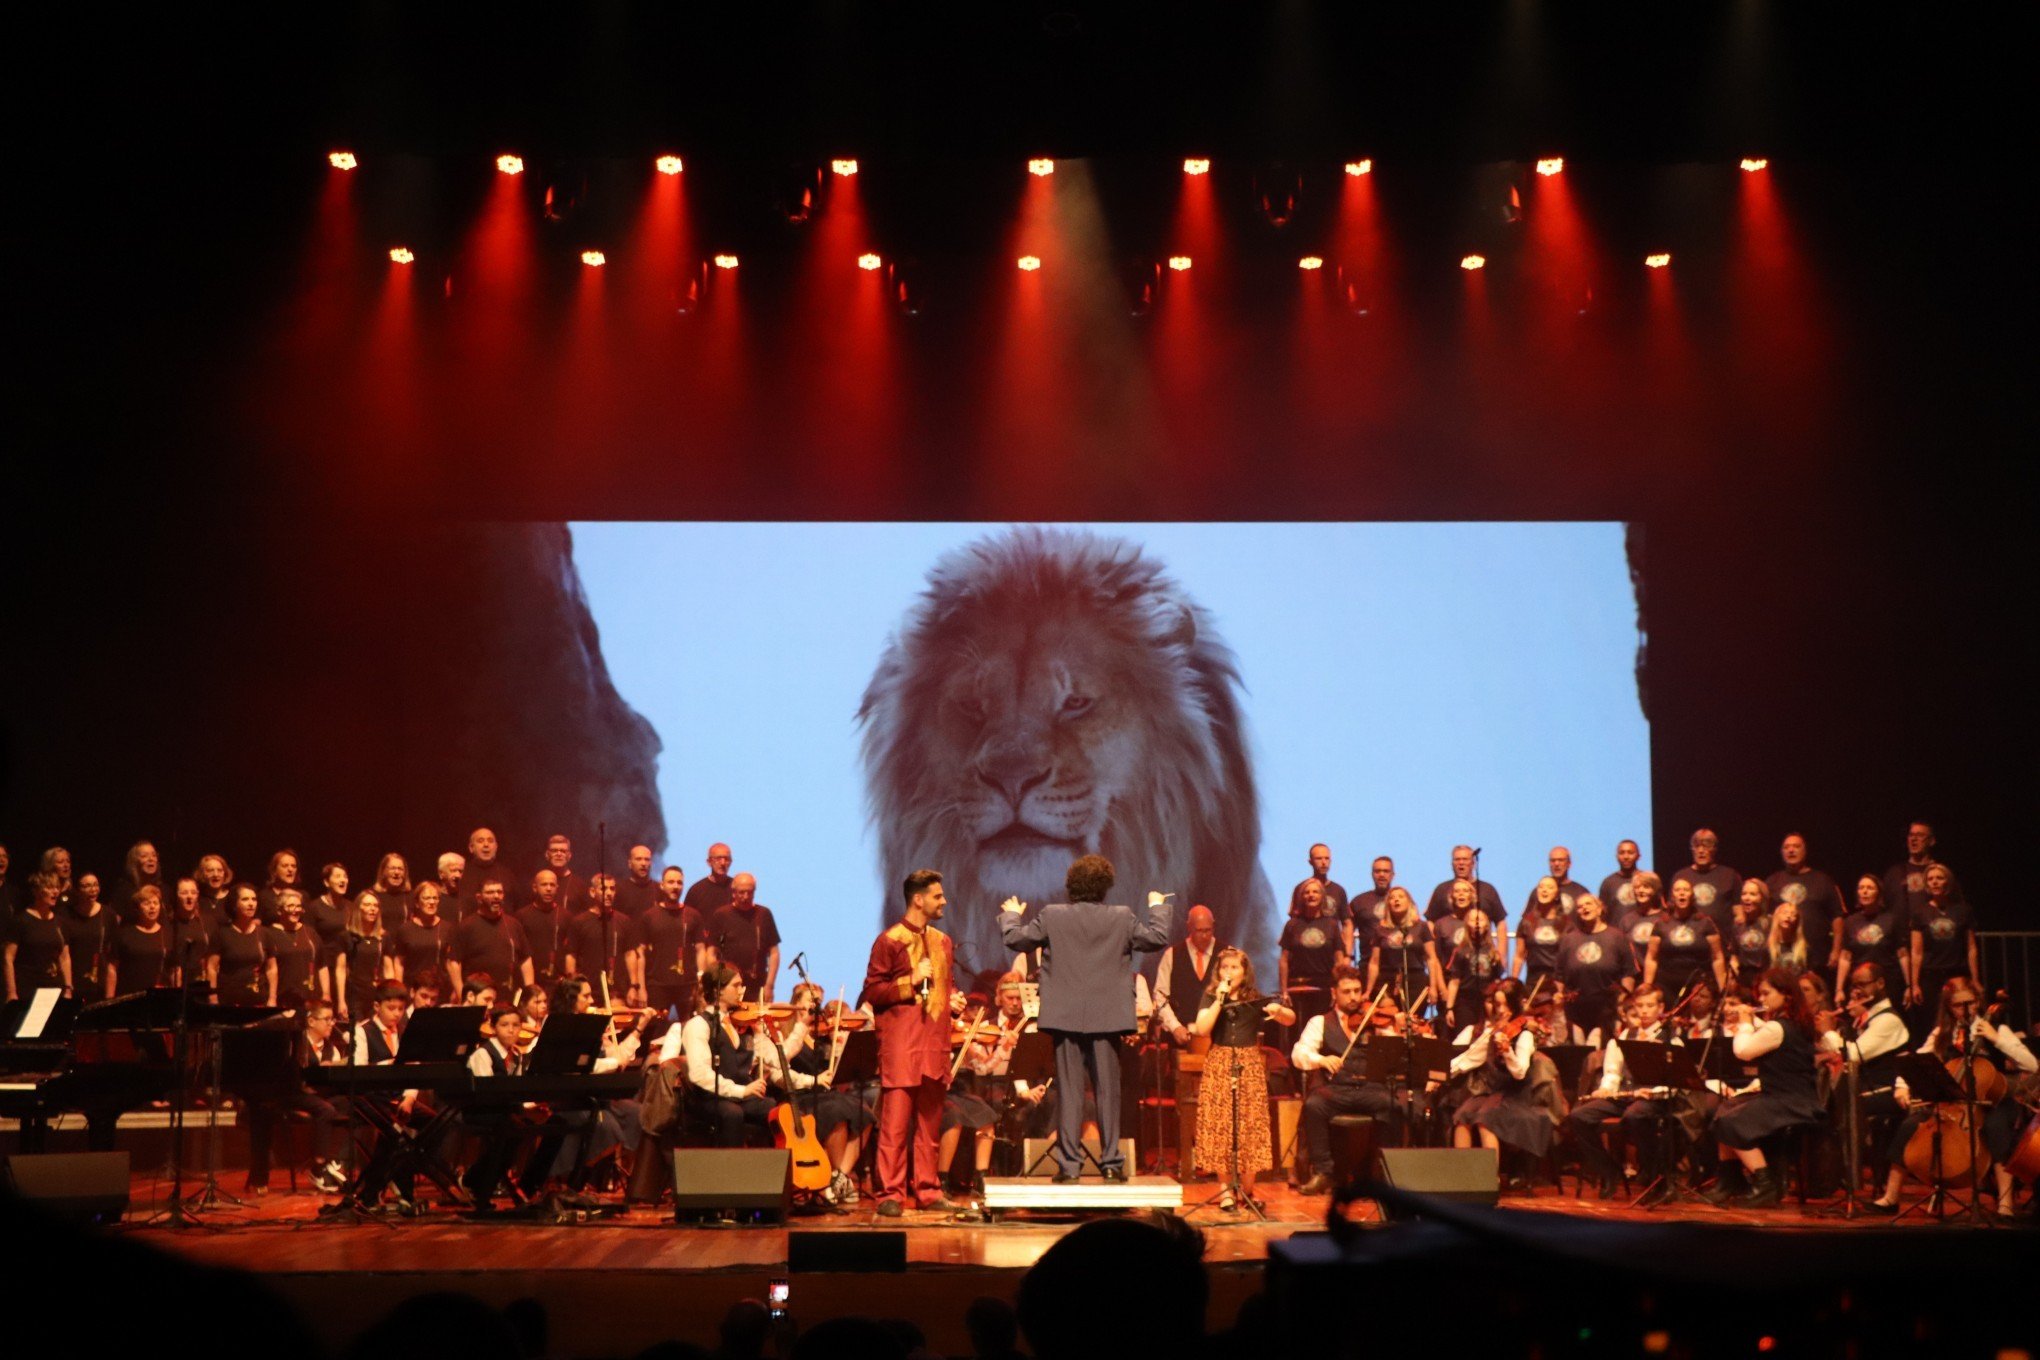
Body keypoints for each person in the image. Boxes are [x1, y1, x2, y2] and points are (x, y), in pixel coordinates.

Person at [998, 854, 1171, 1184]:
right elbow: (1156, 938)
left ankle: (1070, 1167)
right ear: (1106, 886)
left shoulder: (1052, 915)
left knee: (1070, 1092)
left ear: (1071, 885)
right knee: (1108, 1092)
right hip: (1107, 1019)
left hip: (1065, 1018)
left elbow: (1015, 939)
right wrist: (1158, 905)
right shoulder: (1121, 917)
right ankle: (1110, 1163)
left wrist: (1010, 915)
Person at [1866, 976, 2037, 1218]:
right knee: (1909, 1125)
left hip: (1994, 1102)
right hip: (1955, 1105)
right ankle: (1891, 1197)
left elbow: (2031, 1063)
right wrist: (1902, 1086)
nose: (1965, 1010)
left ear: (1978, 1001)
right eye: (1958, 1005)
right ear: (1949, 1007)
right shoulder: (1943, 1033)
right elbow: (1917, 1061)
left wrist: (1996, 1039)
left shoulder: (1998, 1029)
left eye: (1970, 1003)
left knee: (1996, 1126)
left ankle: (2006, 1203)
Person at [862, 869, 964, 1214]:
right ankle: (889, 1194)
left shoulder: (943, 942)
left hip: (934, 1044)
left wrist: (952, 1001)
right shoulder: (889, 940)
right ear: (918, 899)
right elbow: (873, 992)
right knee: (894, 1126)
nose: (944, 901)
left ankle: (928, 1190)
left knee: (930, 1125)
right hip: (902, 1044)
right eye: (938, 896)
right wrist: (909, 980)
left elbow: (941, 990)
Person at [1701, 967, 1824, 1208]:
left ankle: (1765, 1183)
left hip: (1790, 1101)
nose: (1761, 999)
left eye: (1767, 994)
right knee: (1722, 1112)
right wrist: (1750, 1021)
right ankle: (1730, 1180)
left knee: (1731, 1122)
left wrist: (1744, 1023)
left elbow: (1743, 1051)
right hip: (1784, 1096)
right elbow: (1765, 1036)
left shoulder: (1779, 1028)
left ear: (1786, 995)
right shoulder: (1788, 1024)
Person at [1190, 947, 1294, 1211]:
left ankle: (1247, 1189)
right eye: (1224, 968)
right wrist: (1219, 1001)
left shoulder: (1253, 998)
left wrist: (1278, 1012)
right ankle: (1225, 1191)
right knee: (1222, 1125)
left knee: (1249, 1124)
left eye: (1235, 968)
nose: (1229, 972)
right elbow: (1202, 1029)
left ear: (1245, 971)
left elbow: (1290, 1020)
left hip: (1248, 1063)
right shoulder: (1212, 996)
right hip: (1220, 1061)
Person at [1293, 964, 1398, 1194]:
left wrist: (1397, 1029)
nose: (1353, 997)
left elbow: (1395, 1051)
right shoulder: (1320, 1022)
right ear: (1334, 993)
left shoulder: (1373, 1021)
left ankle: (1384, 1171)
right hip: (1336, 1089)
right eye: (1347, 991)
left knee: (1394, 1105)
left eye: (1357, 991)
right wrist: (1321, 1060)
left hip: (1369, 1088)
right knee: (1314, 1105)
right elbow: (1299, 1053)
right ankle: (1324, 1172)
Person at [1567, 984, 1675, 1201]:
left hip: (1653, 1098)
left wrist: (1653, 1092)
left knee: (1635, 1115)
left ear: (1660, 1008)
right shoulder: (1626, 1034)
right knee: (1579, 1116)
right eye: (1640, 1006)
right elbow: (1613, 1071)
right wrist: (1606, 1089)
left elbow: (1674, 1079)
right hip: (1626, 1095)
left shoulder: (1670, 1036)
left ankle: (1653, 1175)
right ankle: (1609, 1172)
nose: (1644, 1011)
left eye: (1650, 1006)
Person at [244, 997, 348, 1195]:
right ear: (311, 1021)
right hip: (292, 1093)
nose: (331, 1024)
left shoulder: (330, 1049)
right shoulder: (294, 1043)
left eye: (332, 1019)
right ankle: (319, 1166)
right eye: (326, 1019)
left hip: (316, 1094)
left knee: (346, 1103)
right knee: (325, 1109)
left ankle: (331, 1159)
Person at [1448, 978, 1556, 1166]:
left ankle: (1490, 1179)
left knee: (1486, 1120)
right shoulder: (1494, 1031)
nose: (1500, 1010)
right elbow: (1471, 1057)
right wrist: (1442, 1073)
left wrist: (1508, 1052)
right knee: (1462, 1115)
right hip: (1494, 1092)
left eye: (1505, 1005)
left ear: (1515, 1005)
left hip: (1515, 1095)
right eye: (1497, 1004)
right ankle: (1462, 1176)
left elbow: (1520, 1073)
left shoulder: (1525, 1035)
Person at [680, 964, 772, 1147]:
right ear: (718, 990)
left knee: (774, 1108)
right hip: (707, 1098)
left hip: (736, 1095)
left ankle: (770, 1170)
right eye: (736, 986)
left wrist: (762, 1034)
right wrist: (741, 1091)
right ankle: (730, 1172)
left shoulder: (738, 1024)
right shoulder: (698, 1025)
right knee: (732, 1114)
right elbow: (700, 1074)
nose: (741, 991)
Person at [1556, 893, 1636, 1044]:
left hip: (1607, 1008)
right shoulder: (1569, 939)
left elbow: (1628, 972)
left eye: (1588, 904)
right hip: (1576, 1010)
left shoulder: (1617, 937)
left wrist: (1625, 1004)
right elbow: (1560, 975)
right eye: (1579, 906)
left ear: (1600, 909)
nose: (1584, 908)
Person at [1906, 865, 1978, 1029]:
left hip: (1957, 972)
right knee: (1933, 1021)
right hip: (1931, 974)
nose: (1935, 882)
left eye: (1939, 878)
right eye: (1931, 879)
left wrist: (1975, 979)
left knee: (1961, 1018)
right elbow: (1916, 952)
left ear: (1948, 881)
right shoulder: (1920, 913)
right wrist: (1914, 984)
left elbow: (1971, 948)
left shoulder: (1963, 911)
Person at [1764, 834, 1845, 974]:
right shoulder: (1772, 881)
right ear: (1782, 852)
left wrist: (1836, 950)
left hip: (1817, 957)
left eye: (1796, 846)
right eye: (1786, 847)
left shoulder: (1823, 880)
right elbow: (1765, 917)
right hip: (1782, 958)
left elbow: (1837, 917)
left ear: (1805, 851)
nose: (1791, 850)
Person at [633, 864, 706, 1018]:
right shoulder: (649, 916)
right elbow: (640, 954)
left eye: (679, 883)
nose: (675, 886)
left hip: (688, 985)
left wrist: (701, 983)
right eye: (671, 882)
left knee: (689, 1031)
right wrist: (641, 988)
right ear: (662, 885)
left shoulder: (694, 915)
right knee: (655, 1031)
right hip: (657, 985)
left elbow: (701, 950)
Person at [1643, 878, 1727, 1005]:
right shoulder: (1661, 924)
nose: (1682, 893)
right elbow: (1651, 958)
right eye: (1678, 890)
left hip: (1698, 986)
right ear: (1672, 896)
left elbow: (1717, 957)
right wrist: (1648, 987)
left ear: (1692, 895)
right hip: (1667, 985)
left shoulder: (1705, 923)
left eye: (1686, 890)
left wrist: (1723, 990)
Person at [1366, 886, 1442, 1018]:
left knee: (1414, 1021)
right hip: (1388, 981)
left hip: (1416, 980)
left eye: (1401, 897)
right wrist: (1368, 990)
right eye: (1392, 897)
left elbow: (1431, 959)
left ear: (1409, 902)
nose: (1396, 900)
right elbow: (1374, 962)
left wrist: (1434, 987)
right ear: (1388, 904)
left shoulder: (1421, 927)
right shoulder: (1380, 929)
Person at [454, 876, 534, 999]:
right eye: (490, 892)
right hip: (479, 998)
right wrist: (461, 995)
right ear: (479, 898)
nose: (496, 896)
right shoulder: (466, 926)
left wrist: (530, 993)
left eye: (499, 892)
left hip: (510, 997)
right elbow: (453, 962)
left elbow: (525, 959)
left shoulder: (514, 924)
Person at [706, 873, 781, 1002]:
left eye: (749, 892)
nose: (746, 897)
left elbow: (774, 953)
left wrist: (770, 985)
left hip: (758, 985)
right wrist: (716, 981)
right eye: (741, 892)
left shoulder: (764, 914)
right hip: (729, 986)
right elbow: (711, 952)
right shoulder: (722, 915)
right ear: (733, 892)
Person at [1278, 878, 1344, 1027]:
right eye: (1307, 892)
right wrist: (1284, 991)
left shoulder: (1332, 925)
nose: (1311, 895)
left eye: (1315, 891)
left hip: (1324, 989)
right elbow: (1283, 960)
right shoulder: (1292, 925)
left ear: (1322, 896)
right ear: (1301, 897)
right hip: (1297, 988)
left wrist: (1336, 989)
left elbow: (1339, 960)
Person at [1155, 905, 1223, 1045]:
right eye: (1199, 931)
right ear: (1189, 928)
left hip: (1218, 1041)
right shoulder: (1172, 955)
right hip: (1181, 1039)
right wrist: (1175, 1027)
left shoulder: (1227, 955)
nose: (1204, 936)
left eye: (1208, 930)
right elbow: (1160, 997)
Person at [563, 874, 632, 1006]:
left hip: (618, 992)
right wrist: (573, 988)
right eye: (604, 889)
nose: (609, 893)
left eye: (612, 889)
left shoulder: (624, 921)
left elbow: (630, 955)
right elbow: (571, 956)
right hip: (589, 992)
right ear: (592, 892)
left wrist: (634, 986)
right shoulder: (579, 922)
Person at [5, 872, 73, 1001]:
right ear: (36, 891)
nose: (55, 892)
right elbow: (8, 957)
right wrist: (11, 992)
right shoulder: (22, 921)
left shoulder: (60, 922)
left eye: (57, 888)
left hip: (54, 987)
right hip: (28, 988)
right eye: (50, 888)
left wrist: (68, 988)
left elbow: (64, 957)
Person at [1834, 875, 1904, 997]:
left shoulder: (1891, 919)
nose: (1865, 891)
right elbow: (1845, 957)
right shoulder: (1851, 921)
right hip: (1860, 983)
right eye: (1861, 888)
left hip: (1887, 981)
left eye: (1870, 888)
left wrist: (1910, 986)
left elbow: (1902, 953)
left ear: (1879, 893)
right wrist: (1839, 989)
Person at [1443, 906, 1507, 1035]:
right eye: (1473, 920)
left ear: (1487, 925)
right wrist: (1449, 1008)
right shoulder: (1460, 950)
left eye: (1481, 920)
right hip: (1465, 1002)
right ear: (1467, 924)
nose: (1477, 923)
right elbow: (1454, 981)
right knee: (1464, 1038)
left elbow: (1497, 981)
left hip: (1487, 1002)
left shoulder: (1493, 952)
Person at [1882, 821, 1962, 919]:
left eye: (1920, 835)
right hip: (1900, 933)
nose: (1914, 839)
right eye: (1911, 835)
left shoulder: (1942, 873)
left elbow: (1957, 908)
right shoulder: (1894, 873)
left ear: (1931, 841)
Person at [335, 889, 391, 1024]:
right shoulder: (347, 936)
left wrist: (390, 997)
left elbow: (389, 969)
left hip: (377, 995)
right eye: (367, 905)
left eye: (375, 906)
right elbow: (341, 969)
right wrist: (341, 1000)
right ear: (358, 908)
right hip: (355, 995)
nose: (372, 909)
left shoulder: (383, 937)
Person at [211, 883, 274, 1004]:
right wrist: (213, 998)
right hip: (230, 1000)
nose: (251, 903)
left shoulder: (264, 933)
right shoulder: (222, 934)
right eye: (245, 899)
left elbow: (272, 968)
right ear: (234, 904)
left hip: (258, 999)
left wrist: (272, 998)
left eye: (254, 899)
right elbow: (212, 968)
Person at [1671, 828, 1741, 936]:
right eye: (1697, 846)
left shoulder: (1730, 875)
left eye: (1706, 846)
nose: (1701, 851)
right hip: (1689, 940)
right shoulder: (1681, 876)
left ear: (1714, 849)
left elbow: (1739, 913)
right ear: (1692, 849)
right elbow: (1671, 911)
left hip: (1723, 940)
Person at [106, 884, 173, 996]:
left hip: (158, 997)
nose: (152, 907)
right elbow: (112, 968)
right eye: (147, 903)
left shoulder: (168, 934)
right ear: (138, 907)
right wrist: (109, 1000)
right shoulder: (125, 934)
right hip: (128, 997)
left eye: (155, 903)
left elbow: (174, 969)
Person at [1288, 844, 1352, 956]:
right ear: (1310, 861)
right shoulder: (1301, 889)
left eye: (1326, 858)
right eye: (1319, 858)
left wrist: (1347, 954)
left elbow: (1347, 923)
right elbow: (1293, 923)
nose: (1323, 862)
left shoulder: (1338, 890)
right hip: (1305, 951)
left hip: (1331, 951)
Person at [58, 871, 112, 997]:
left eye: (95, 885)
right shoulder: (65, 915)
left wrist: (110, 996)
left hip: (99, 984)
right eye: (86, 886)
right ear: (77, 890)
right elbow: (63, 954)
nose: (93, 889)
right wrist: (68, 988)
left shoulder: (108, 915)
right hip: (73, 982)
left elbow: (113, 957)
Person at [391, 882, 455, 987]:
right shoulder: (405, 929)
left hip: (440, 989)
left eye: (435, 898)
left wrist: (455, 990)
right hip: (413, 988)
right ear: (417, 903)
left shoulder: (447, 928)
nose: (431, 902)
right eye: (427, 898)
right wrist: (399, 989)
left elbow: (450, 962)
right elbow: (399, 962)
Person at [1425, 845, 1506, 925]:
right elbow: (1431, 920)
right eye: (1457, 859)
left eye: (1465, 859)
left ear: (1473, 863)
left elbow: (1500, 921)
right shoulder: (1441, 889)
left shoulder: (1488, 890)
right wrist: (1432, 938)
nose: (1461, 863)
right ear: (1452, 864)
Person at [266, 889, 320, 1005]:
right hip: (283, 998)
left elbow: (322, 964)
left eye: (298, 906)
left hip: (310, 999)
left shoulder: (310, 932)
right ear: (279, 910)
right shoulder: (269, 934)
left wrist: (326, 994)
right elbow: (270, 969)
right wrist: (272, 998)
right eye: (291, 906)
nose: (295, 910)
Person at [308, 863, 353, 1003]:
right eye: (338, 876)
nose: (343, 880)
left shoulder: (351, 907)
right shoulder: (315, 907)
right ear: (326, 882)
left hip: (346, 967)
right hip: (323, 967)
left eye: (345, 877)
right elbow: (309, 938)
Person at [515, 869, 566, 990]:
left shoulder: (566, 916)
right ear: (535, 887)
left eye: (552, 885)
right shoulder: (521, 916)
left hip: (559, 983)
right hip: (531, 982)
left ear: (557, 888)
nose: (548, 888)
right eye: (544, 884)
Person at [1515, 879, 1569, 989]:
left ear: (1557, 894)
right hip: (1533, 981)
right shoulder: (1526, 922)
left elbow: (1569, 959)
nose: (1544, 890)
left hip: (1557, 982)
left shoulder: (1566, 923)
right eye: (1541, 887)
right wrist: (1513, 983)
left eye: (1550, 887)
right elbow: (1519, 956)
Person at [1617, 871, 1666, 972]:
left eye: (1646, 887)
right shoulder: (1626, 920)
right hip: (1635, 976)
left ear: (1655, 890)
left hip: (1661, 975)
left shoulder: (1665, 918)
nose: (1641, 891)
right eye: (1637, 887)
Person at [1728, 879, 1773, 983]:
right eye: (1744, 894)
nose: (1747, 898)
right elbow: (1734, 953)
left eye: (1752, 894)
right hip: (1743, 979)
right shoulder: (1738, 924)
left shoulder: (1771, 923)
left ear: (1762, 898)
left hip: (1766, 978)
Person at [1529, 847, 1590, 920]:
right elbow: (1527, 921)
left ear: (1569, 864)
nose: (1556, 864)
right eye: (1553, 860)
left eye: (1561, 860)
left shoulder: (1581, 892)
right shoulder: (1540, 892)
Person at [684, 843, 736, 915]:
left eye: (726, 859)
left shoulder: (737, 888)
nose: (723, 863)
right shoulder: (696, 891)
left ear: (731, 862)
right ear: (709, 862)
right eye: (718, 859)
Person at [541, 836, 583, 921]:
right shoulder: (537, 883)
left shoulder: (580, 886)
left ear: (569, 856)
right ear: (547, 855)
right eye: (554, 851)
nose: (559, 854)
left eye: (563, 851)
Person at [1598, 839, 1644, 917]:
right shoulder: (1608, 882)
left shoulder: (1647, 879)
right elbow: (1602, 912)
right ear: (1617, 856)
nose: (1626, 857)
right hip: (1616, 928)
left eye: (1630, 853)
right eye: (1622, 853)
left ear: (1638, 856)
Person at [257, 849, 304, 926]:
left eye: (293, 866)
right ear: (274, 870)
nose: (290, 869)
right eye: (285, 866)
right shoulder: (264, 896)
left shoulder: (302, 896)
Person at [613, 844, 660, 919]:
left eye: (647, 859)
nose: (643, 863)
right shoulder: (619, 889)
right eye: (638, 859)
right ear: (630, 863)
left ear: (651, 863)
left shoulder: (659, 889)